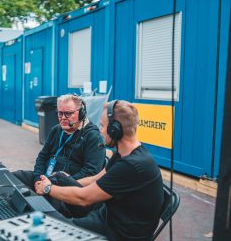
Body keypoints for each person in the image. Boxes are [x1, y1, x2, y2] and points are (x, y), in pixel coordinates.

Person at [35, 100, 164, 240]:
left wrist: (48, 188)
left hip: (119, 233)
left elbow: (83, 198)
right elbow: (95, 179)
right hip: (108, 215)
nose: (100, 130)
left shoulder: (131, 165)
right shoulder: (124, 153)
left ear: (115, 129)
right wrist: (65, 181)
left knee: (55, 230)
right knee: (59, 179)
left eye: (103, 125)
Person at [13, 94, 105, 190]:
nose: (63, 117)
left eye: (68, 113)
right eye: (60, 113)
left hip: (69, 188)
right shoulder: (56, 130)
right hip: (45, 179)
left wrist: (55, 184)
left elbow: (90, 172)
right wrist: (38, 179)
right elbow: (42, 157)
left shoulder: (93, 136)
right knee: (15, 177)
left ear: (81, 113)